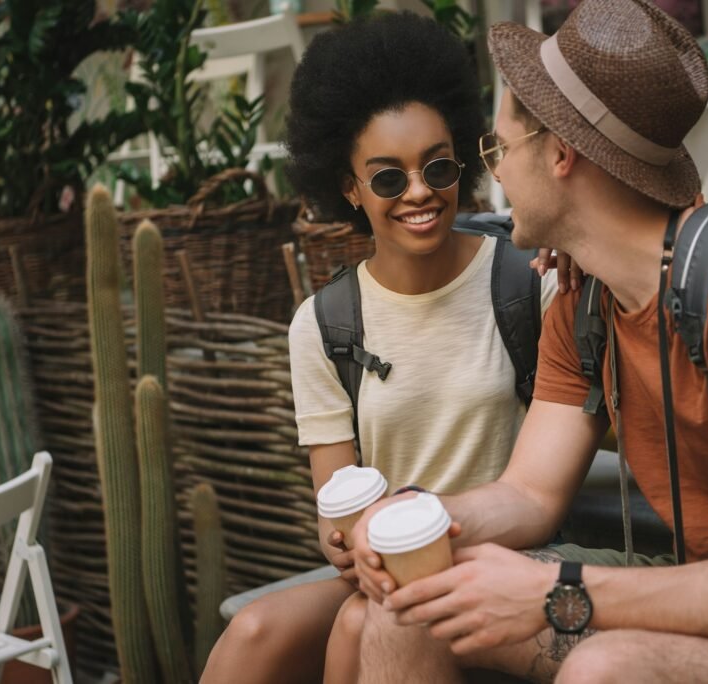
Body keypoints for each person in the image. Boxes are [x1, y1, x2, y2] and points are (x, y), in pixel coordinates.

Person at [345, 0, 708, 682]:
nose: (497, 175)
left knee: (610, 668)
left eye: (499, 149)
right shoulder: (587, 298)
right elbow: (532, 496)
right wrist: (420, 516)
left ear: (562, 154)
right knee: (413, 604)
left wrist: (555, 588)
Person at [199, 12, 560, 684]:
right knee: (250, 633)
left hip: (497, 554)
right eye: (389, 178)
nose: (420, 192)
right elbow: (332, 513)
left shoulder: (521, 286)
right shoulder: (326, 323)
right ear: (350, 189)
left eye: (438, 167)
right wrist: (344, 545)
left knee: (358, 626)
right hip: (384, 563)